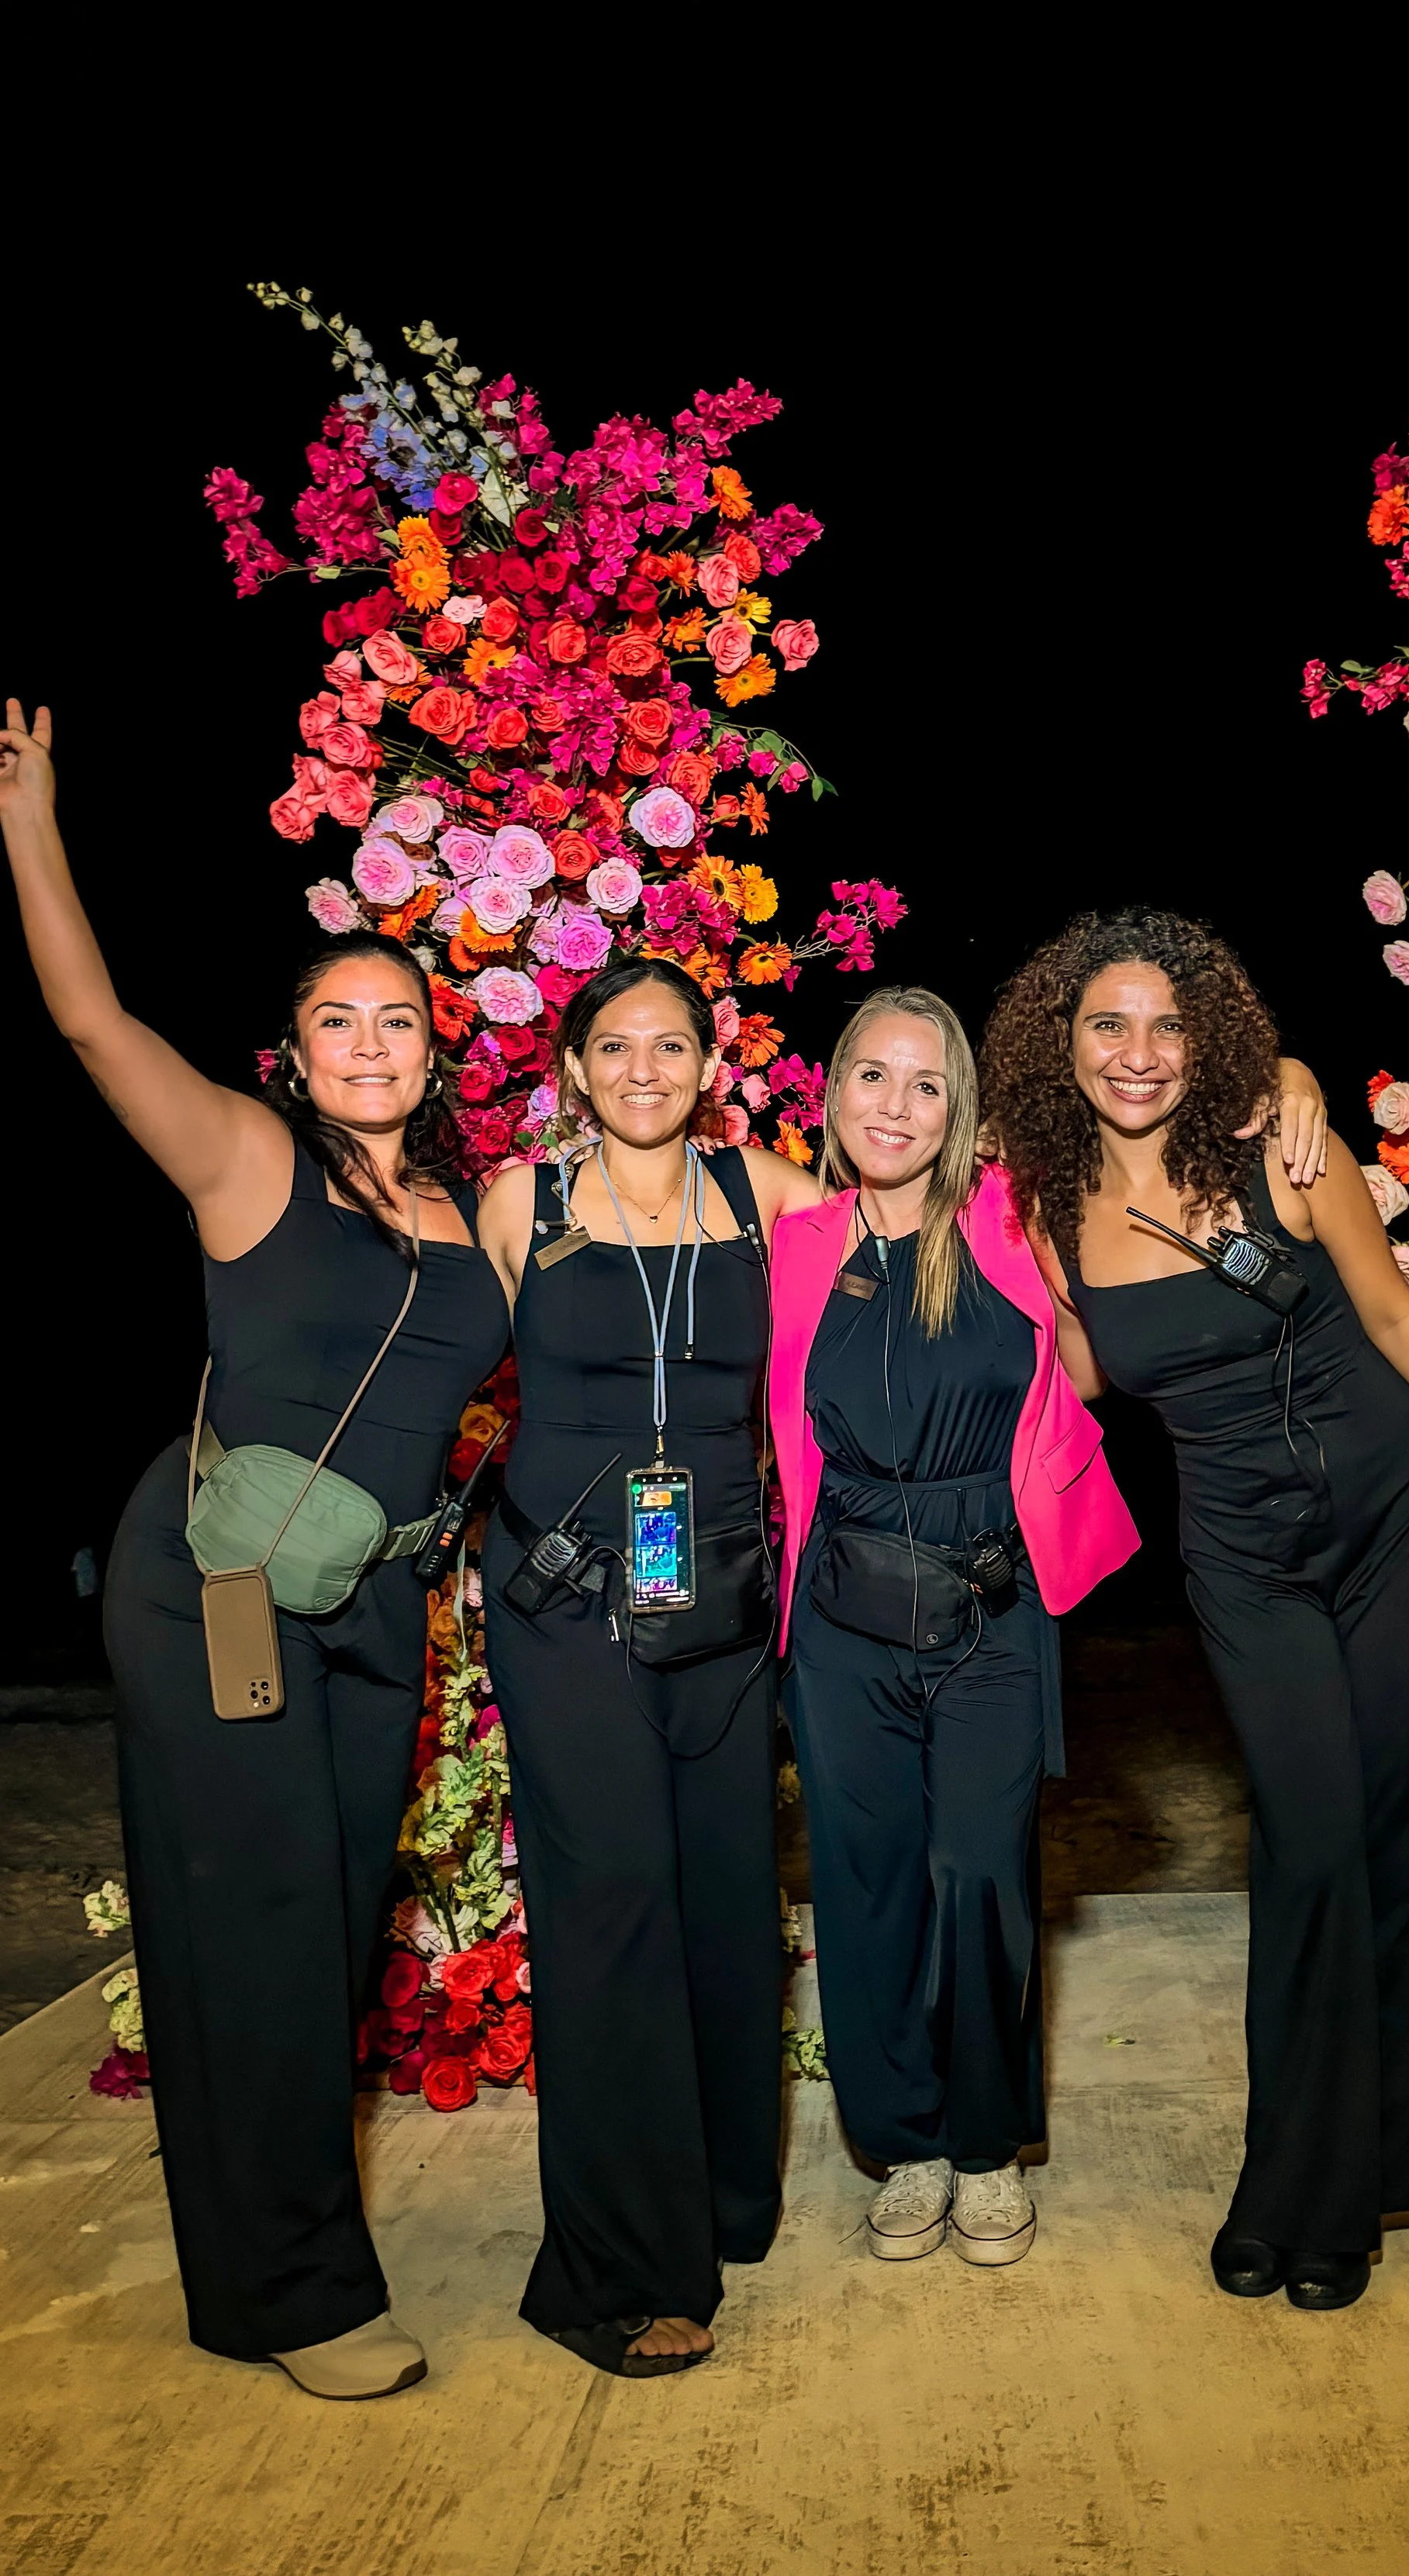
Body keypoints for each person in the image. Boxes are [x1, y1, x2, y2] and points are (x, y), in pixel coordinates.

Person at [0, 701, 509, 2398]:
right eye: (336, 1018)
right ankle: (294, 2293)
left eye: (399, 1018)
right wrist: (31, 821)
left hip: (378, 1601)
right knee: (261, 1919)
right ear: (293, 1048)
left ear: (437, 1048)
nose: (371, 1040)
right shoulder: (247, 1159)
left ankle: (258, 2257)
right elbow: (88, 1018)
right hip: (215, 1582)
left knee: (328, 1918)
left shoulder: (475, 1210)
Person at [979, 907, 1409, 2312]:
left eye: (1168, 1024)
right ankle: (1300, 2177)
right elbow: (1089, 1378)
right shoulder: (1047, 1209)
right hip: (1244, 1557)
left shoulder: (1283, 1144)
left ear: (1208, 1036)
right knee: (1314, 1842)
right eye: (1108, 1024)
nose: (1139, 1053)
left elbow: (1399, 1316)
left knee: (1408, 1830)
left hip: (1399, 1516)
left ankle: (1353, 2188)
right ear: (1063, 1043)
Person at [476, 956, 820, 2378]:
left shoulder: (766, 1197)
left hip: (726, 1605)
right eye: (612, 1047)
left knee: (729, 1905)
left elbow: (949, 1203)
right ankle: (616, 2272)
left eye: (668, 1046)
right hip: (566, 1611)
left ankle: (729, 2197)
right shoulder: (525, 1205)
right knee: (612, 1911)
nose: (640, 1070)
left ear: (709, 1062)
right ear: (572, 1067)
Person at [768, 988, 1138, 2267]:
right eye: (873, 1076)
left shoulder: (1010, 1214)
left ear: (959, 1108)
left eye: (927, 1084)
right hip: (842, 1613)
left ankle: (986, 2147)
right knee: (867, 1890)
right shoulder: (796, 1237)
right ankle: (905, 2144)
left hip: (992, 1596)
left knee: (978, 1876)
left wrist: (1295, 1082)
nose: (896, 1104)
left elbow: (1150, 1137)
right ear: (831, 1093)